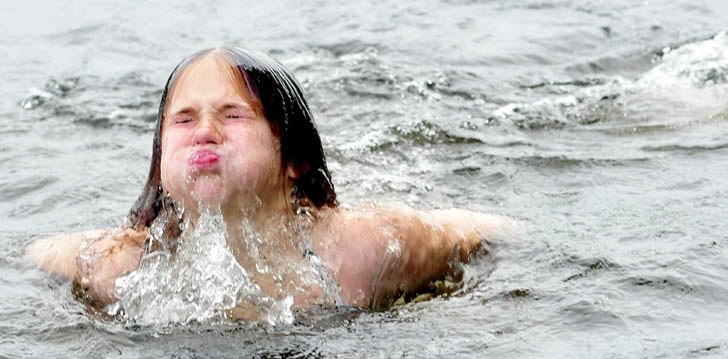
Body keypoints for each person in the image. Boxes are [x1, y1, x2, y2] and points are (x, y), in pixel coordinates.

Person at [25, 46, 511, 315]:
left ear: (294, 159)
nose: (205, 134)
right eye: (183, 120)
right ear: (160, 168)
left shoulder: (364, 252)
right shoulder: (123, 266)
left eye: (232, 115)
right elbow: (32, 261)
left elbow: (488, 233)